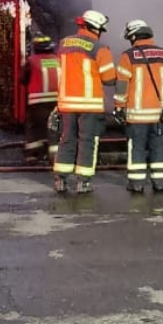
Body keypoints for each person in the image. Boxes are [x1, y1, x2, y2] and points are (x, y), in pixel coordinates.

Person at [53, 10, 116, 194]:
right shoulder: (100, 48)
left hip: (66, 103)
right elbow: (109, 78)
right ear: (95, 28)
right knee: (87, 142)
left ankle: (60, 180)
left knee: (66, 140)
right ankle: (83, 182)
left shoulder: (64, 44)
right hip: (89, 105)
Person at [114, 20, 163, 193]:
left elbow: (122, 84)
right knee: (159, 148)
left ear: (134, 36)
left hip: (137, 116)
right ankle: (160, 183)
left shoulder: (128, 56)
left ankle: (137, 184)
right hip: (159, 115)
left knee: (137, 148)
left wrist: (119, 106)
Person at [20, 35, 59, 163]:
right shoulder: (58, 60)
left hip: (37, 101)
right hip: (57, 101)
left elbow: (23, 79)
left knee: (34, 126)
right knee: (54, 127)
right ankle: (55, 156)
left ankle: (32, 155)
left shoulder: (31, 61)